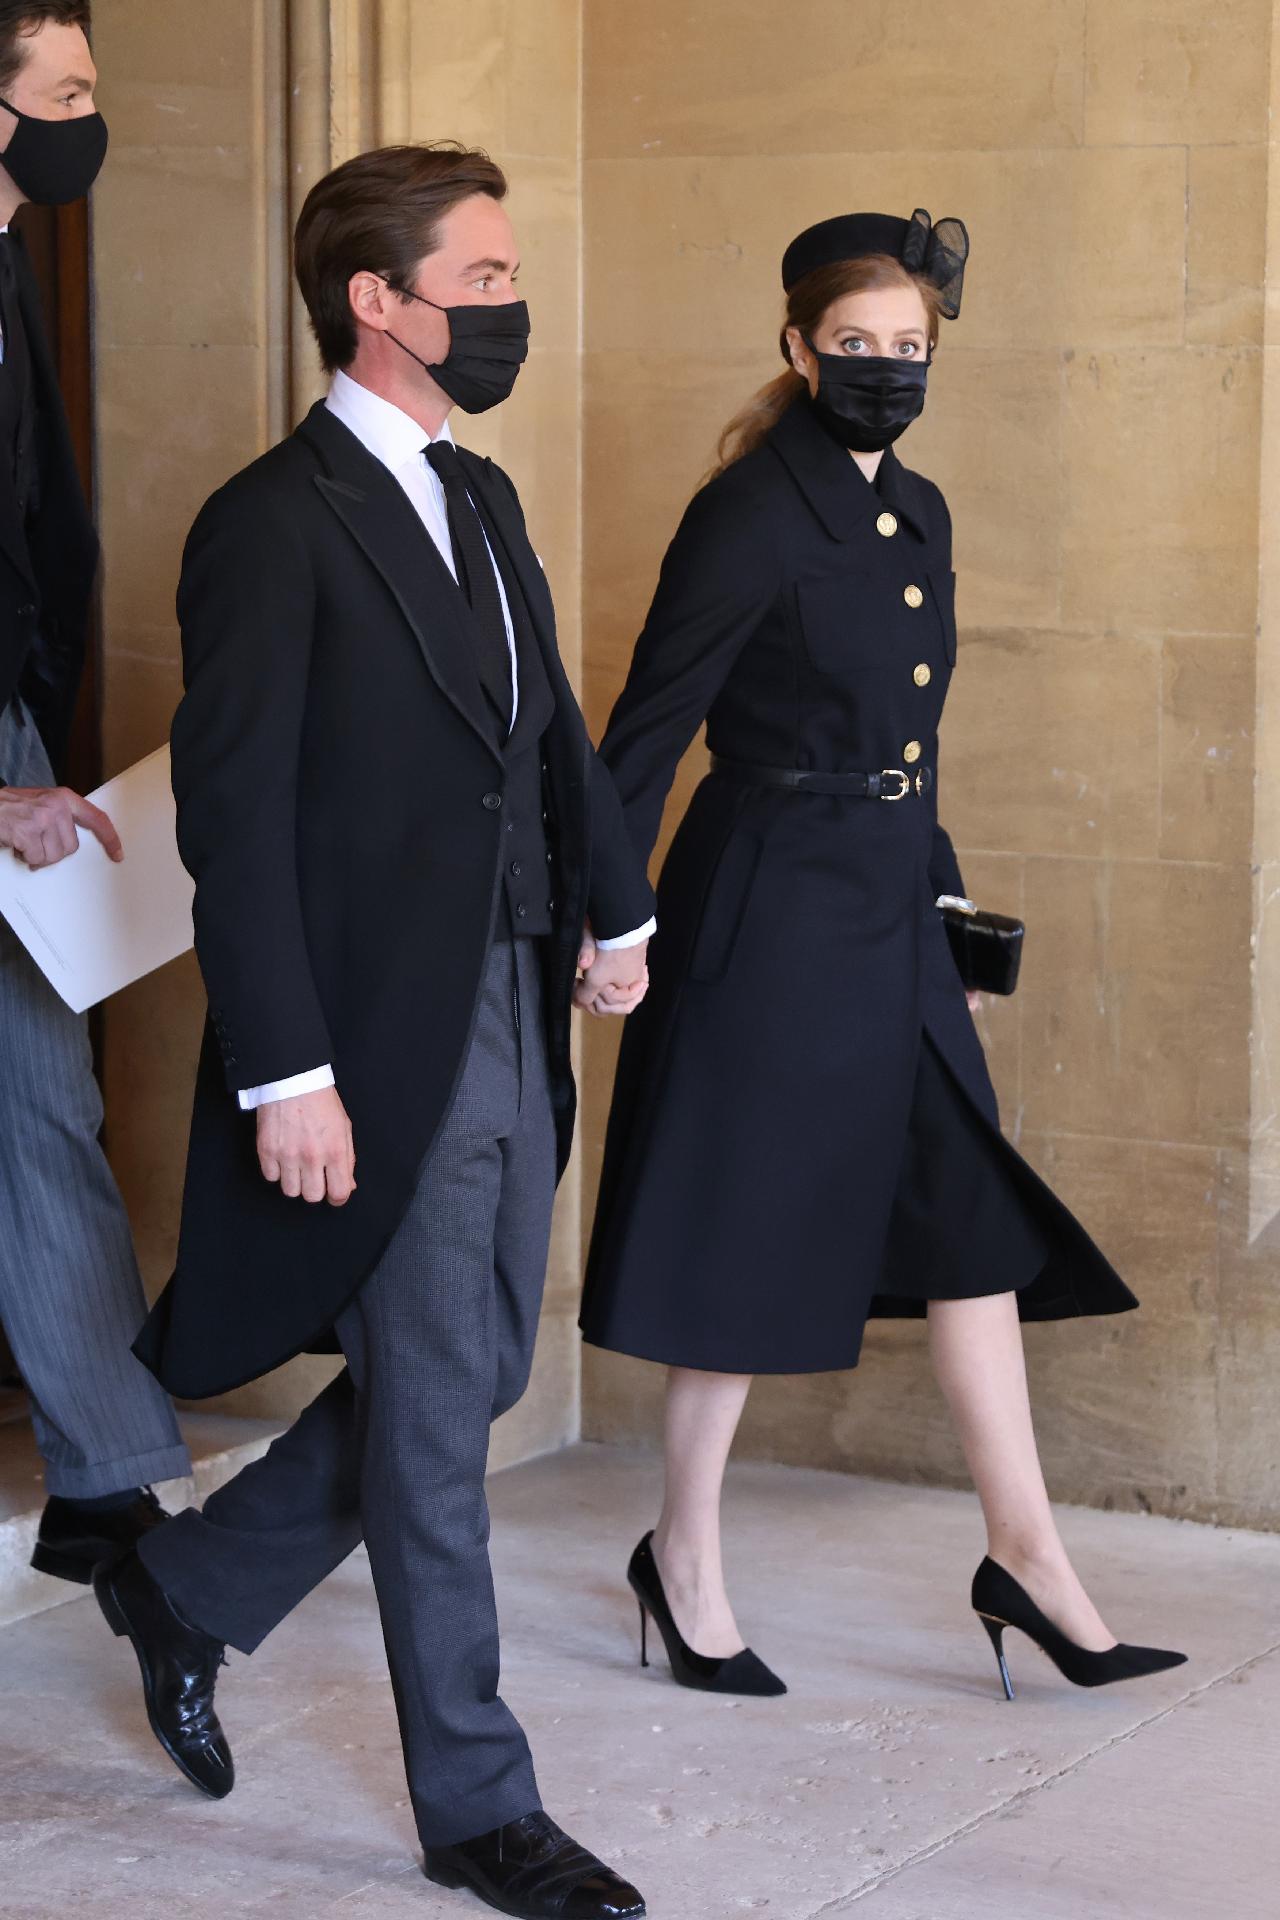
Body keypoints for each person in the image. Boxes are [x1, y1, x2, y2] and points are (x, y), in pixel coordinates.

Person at [95, 142, 653, 1920]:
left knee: (475, 1369)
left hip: (514, 991)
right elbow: (234, 822)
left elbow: (549, 734)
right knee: (431, 1425)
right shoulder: (269, 521)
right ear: (376, 300)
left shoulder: (479, 494)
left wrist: (615, 906)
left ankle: (187, 1586)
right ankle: (482, 1809)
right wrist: (288, 1069)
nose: (511, 306)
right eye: (482, 278)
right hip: (370, 1032)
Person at [580, 209, 1186, 1705]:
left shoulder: (920, 512)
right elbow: (646, 733)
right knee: (740, 1231)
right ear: (797, 348)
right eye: (856, 344)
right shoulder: (748, 512)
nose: (884, 369)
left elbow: (910, 742)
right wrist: (611, 919)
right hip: (770, 910)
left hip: (892, 916)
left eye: (909, 347)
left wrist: (947, 910)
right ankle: (683, 1558)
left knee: (969, 1226)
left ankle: (1029, 1558)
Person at [0, 0, 191, 1581]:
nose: (87, 122)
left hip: (12, 736)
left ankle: (107, 1477)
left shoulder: (6, 269)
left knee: (39, 1089)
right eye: (64, 93)